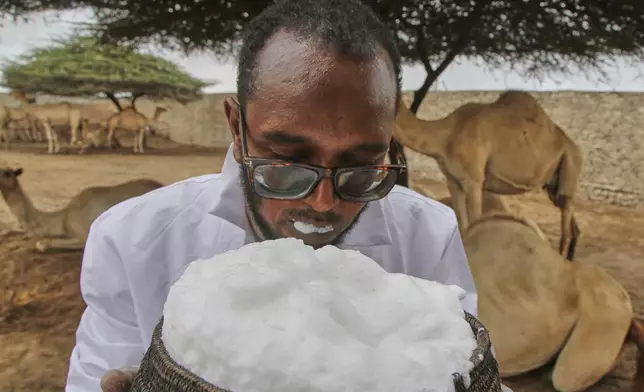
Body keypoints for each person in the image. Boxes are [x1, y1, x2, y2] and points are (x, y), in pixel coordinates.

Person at [65, 0, 479, 391]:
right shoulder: (132, 241)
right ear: (237, 128)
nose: (322, 204)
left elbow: (455, 361)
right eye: (287, 163)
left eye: (360, 166)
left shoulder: (429, 236)